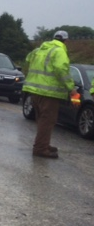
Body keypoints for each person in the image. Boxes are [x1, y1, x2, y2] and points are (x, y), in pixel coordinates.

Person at [23, 30, 77, 159]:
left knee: (41, 119)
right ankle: (40, 148)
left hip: (35, 90)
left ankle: (43, 144)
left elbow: (28, 59)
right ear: (66, 41)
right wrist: (71, 88)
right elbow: (61, 70)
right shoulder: (59, 51)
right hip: (49, 92)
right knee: (47, 121)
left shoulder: (40, 49)